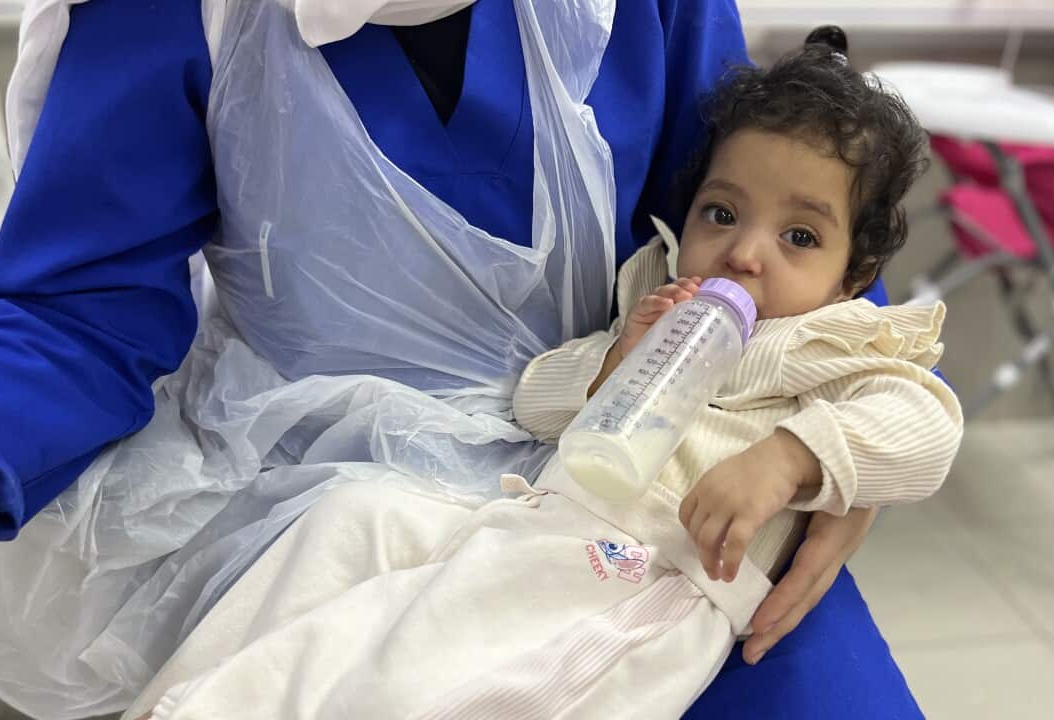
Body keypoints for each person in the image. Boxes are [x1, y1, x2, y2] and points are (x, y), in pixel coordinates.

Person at [0, 2, 924, 718]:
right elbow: (73, 319)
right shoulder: (168, 18)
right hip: (313, 482)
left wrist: (826, 436)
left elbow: (780, 209)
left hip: (654, 487)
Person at [121, 43, 962, 720]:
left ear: (858, 274)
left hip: (646, 583)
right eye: (721, 213)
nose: (745, 253)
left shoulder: (843, 340)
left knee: (427, 686)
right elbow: (535, 400)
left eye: (801, 238)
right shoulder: (655, 290)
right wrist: (613, 364)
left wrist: (790, 458)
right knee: (345, 523)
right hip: (535, 517)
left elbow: (926, 425)